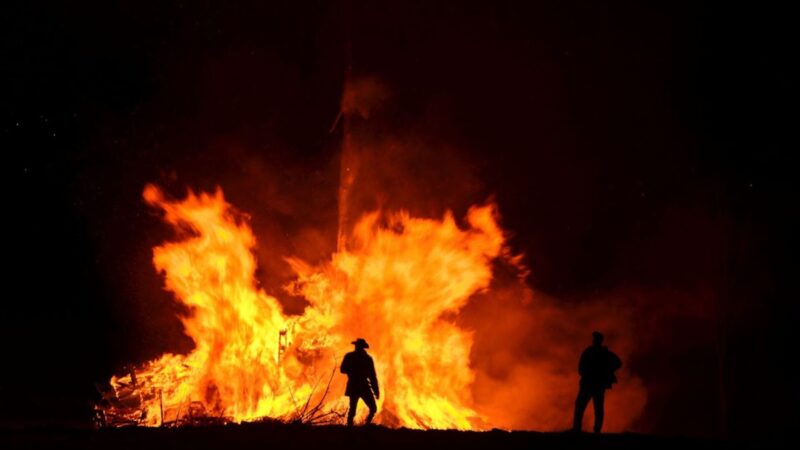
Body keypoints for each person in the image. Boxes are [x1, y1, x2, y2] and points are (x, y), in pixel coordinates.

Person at [572, 331, 622, 433]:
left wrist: (605, 371)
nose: (595, 340)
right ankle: (593, 430)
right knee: (595, 407)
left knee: (585, 406)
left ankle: (579, 429)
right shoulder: (602, 353)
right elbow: (618, 363)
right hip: (596, 384)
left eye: (596, 339)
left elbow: (581, 367)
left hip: (591, 383)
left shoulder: (592, 351)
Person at [340, 338, 379, 426]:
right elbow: (372, 376)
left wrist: (376, 390)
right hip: (360, 385)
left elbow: (372, 376)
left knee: (368, 408)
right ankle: (354, 426)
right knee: (368, 408)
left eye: (358, 346)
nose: (357, 347)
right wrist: (376, 390)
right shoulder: (366, 358)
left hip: (356, 385)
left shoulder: (351, 356)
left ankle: (360, 426)